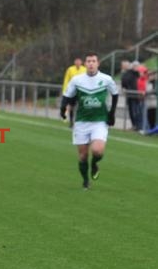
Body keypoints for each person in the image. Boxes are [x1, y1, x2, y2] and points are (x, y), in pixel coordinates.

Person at [60, 52, 119, 189]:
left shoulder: (106, 79)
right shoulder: (77, 80)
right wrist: (62, 110)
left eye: (93, 61)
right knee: (82, 156)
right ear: (85, 64)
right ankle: (86, 180)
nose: (91, 63)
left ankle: (94, 164)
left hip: (99, 121)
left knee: (98, 151)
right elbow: (67, 96)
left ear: (98, 63)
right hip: (82, 121)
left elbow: (115, 94)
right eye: (88, 61)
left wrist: (112, 113)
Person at [61, 57, 86, 127]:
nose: (78, 63)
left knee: (83, 106)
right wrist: (65, 89)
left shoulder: (84, 69)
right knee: (71, 106)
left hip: (81, 91)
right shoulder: (70, 69)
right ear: (74, 62)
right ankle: (71, 121)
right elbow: (66, 80)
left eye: (79, 61)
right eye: (76, 61)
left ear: (81, 62)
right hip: (72, 91)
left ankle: (82, 121)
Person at [122, 61, 142, 130]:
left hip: (139, 96)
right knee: (132, 111)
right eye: (135, 66)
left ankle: (139, 126)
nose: (136, 68)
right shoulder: (128, 74)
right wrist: (124, 87)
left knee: (137, 111)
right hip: (131, 95)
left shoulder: (139, 74)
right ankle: (135, 125)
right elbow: (124, 81)